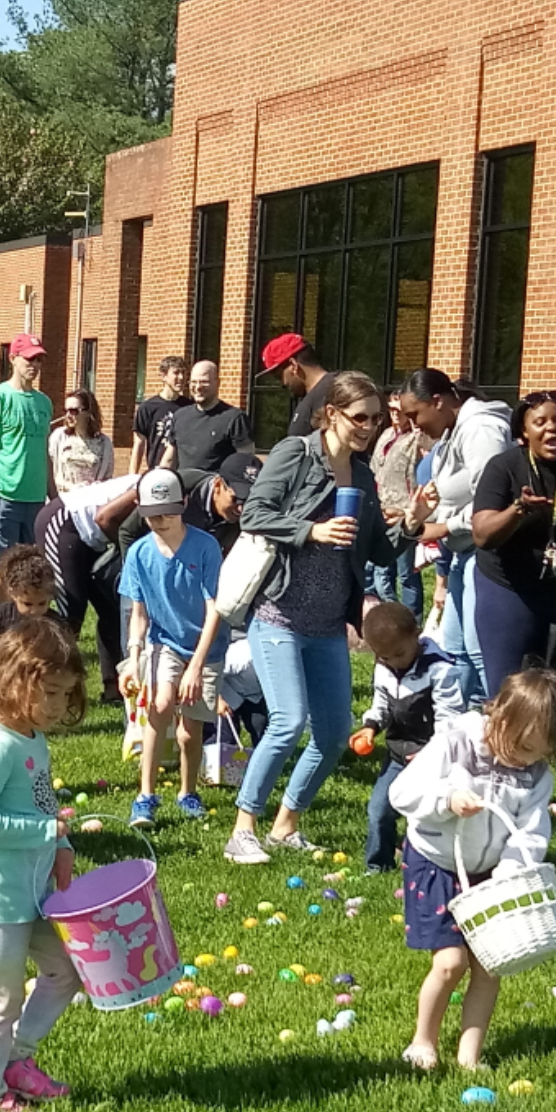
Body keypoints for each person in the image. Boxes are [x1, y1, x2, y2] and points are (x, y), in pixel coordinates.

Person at [189, 370, 399, 865]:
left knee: (332, 734)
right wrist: (312, 531)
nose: (369, 427)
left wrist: (410, 522)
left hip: (328, 624)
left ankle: (286, 825)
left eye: (376, 419)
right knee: (288, 722)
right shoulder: (296, 454)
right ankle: (243, 830)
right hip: (276, 611)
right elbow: (256, 513)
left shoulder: (363, 474)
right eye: (360, 417)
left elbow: (379, 553)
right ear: (330, 413)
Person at [388, 669, 556, 1073]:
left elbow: (529, 834)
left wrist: (510, 876)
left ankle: (469, 1056)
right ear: (499, 717)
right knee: (450, 963)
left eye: (537, 752)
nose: (525, 758)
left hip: (491, 872)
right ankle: (422, 1042)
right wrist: (447, 799)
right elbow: (402, 793)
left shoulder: (535, 776)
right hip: (437, 862)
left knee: (488, 963)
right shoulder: (457, 744)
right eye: (521, 745)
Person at [0, 615, 86, 1112]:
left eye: (64, 695)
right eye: (47, 693)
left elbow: (43, 801)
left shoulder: (33, 740)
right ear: (11, 681)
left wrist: (61, 848)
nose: (56, 706)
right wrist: (46, 833)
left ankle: (18, 1059)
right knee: (0, 997)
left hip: (28, 891)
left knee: (67, 968)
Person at [467, 390, 556, 816]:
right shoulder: (505, 468)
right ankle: (504, 796)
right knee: (508, 696)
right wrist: (518, 510)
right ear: (524, 430)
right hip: (508, 591)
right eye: (541, 422)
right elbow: (481, 534)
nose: (552, 429)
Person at [402, 370, 517, 717]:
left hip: (487, 553)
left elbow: (493, 501)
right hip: (463, 553)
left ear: (438, 401)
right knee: (453, 648)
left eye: (414, 414)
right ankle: (450, 732)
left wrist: (445, 525)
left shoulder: (481, 429)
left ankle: (503, 726)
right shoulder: (453, 434)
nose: (413, 425)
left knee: (480, 649)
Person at [118, 467, 223, 828]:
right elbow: (139, 614)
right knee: (159, 705)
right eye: (151, 515)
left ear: (184, 505)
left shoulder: (206, 547)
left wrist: (196, 666)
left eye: (168, 513)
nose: (160, 521)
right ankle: (145, 795)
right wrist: (133, 660)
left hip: (205, 648)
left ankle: (187, 790)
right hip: (164, 643)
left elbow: (215, 612)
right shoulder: (139, 553)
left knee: (189, 729)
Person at [36, 471, 142, 704]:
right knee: (70, 614)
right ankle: (50, 687)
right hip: (64, 521)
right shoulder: (150, 485)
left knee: (111, 609)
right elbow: (104, 519)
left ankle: (113, 688)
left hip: (94, 538)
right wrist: (128, 554)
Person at [354, 602, 440, 872]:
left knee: (426, 816)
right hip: (398, 755)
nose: (394, 662)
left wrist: (431, 752)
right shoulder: (385, 667)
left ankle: (429, 865)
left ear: (416, 634)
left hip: (434, 758)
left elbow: (451, 720)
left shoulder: (439, 670)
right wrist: (370, 726)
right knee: (378, 811)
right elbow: (381, 704)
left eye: (400, 654)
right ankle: (378, 865)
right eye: (385, 657)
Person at [0, 336, 53, 590]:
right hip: (4, 499)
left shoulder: (44, 402)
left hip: (36, 500)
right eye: (29, 358)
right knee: (1, 571)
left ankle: (24, 626)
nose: (35, 364)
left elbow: (44, 453)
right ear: (13, 359)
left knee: (32, 572)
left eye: (39, 359)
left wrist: (54, 496)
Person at [367, 390, 428, 612]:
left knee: (407, 573)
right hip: (383, 510)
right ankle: (388, 618)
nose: (394, 415)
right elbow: (374, 469)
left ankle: (412, 621)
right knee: (382, 570)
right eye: (390, 410)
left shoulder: (416, 438)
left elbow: (427, 456)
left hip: (404, 512)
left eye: (399, 410)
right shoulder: (385, 435)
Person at [0, 546, 62, 671]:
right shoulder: (5, 613)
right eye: (28, 604)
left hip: (39, 676)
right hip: (4, 671)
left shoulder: (54, 621)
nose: (35, 611)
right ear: (13, 593)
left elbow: (66, 650)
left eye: (42, 603)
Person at [168, 360, 251, 479]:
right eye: (194, 382)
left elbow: (246, 463)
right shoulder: (179, 416)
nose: (198, 387)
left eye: (204, 382)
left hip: (217, 492)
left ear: (218, 383)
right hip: (182, 491)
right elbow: (169, 460)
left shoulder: (234, 418)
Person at [261, 333, 331, 440]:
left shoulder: (334, 394)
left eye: (279, 376)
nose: (282, 384)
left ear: (294, 366)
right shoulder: (333, 388)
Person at [48, 391, 114, 495]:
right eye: (65, 411)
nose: (68, 415)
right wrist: (70, 488)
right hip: (65, 500)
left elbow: (107, 478)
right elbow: (50, 473)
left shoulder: (104, 442)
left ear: (88, 412)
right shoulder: (59, 437)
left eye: (73, 411)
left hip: (92, 501)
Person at [134, 356, 192, 472]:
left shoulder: (190, 407)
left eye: (184, 373)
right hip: (156, 470)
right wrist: (131, 477)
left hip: (183, 470)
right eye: (176, 373)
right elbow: (139, 444)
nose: (181, 377)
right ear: (164, 376)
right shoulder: (147, 408)